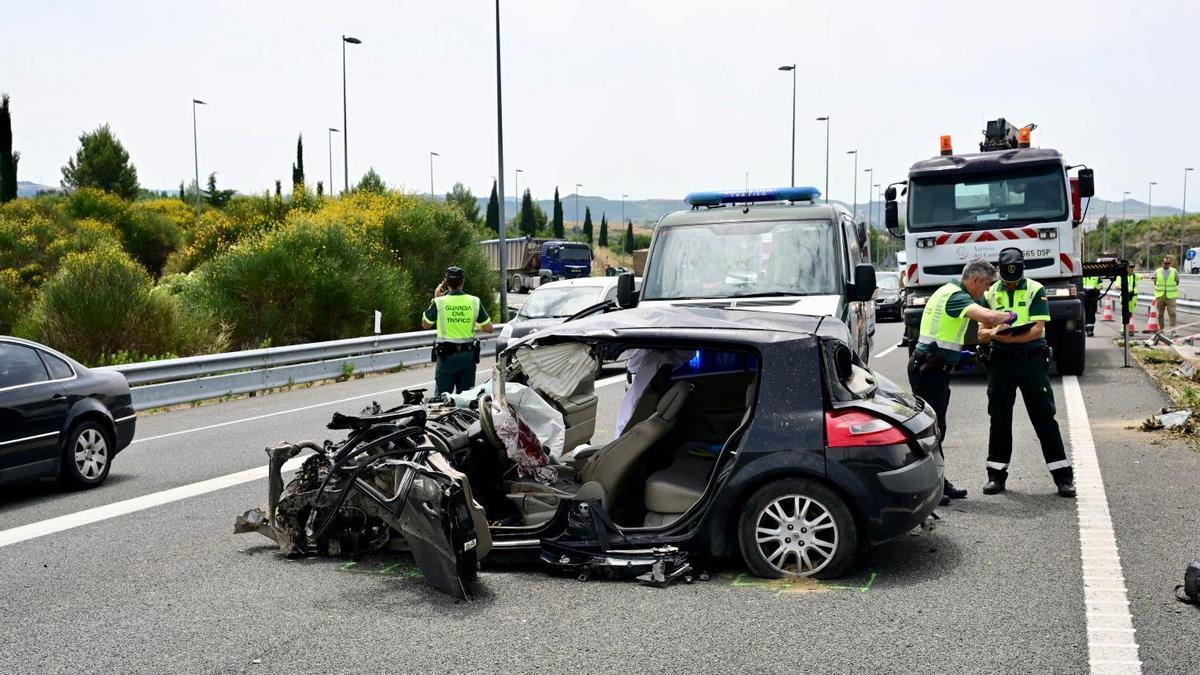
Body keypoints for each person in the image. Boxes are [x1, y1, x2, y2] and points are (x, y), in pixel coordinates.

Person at [908, 259, 1016, 506]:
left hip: (932, 365)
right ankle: (932, 488)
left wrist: (957, 356)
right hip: (929, 370)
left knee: (936, 429)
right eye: (986, 284)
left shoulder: (947, 290)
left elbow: (942, 336)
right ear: (975, 280)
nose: (986, 290)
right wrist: (1008, 316)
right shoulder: (957, 296)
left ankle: (939, 484)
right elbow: (985, 315)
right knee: (933, 432)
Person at [977, 247, 1076, 498]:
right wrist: (994, 336)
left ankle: (1063, 478)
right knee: (999, 417)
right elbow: (981, 333)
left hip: (1031, 359)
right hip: (1000, 362)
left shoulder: (1035, 289)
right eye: (1007, 282)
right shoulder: (990, 292)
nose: (1011, 286)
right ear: (998, 272)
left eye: (1015, 282)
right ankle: (996, 476)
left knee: (1044, 417)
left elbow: (1036, 330)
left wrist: (999, 336)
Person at [421, 266, 493, 395]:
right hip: (467, 358)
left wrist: (435, 299)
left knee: (442, 400)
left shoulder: (440, 302)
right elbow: (489, 328)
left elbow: (425, 324)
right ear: (463, 282)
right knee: (466, 399)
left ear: (446, 282)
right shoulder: (474, 301)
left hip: (446, 358)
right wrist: (475, 325)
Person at [1153, 256, 1179, 333]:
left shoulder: (1174, 271)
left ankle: (1173, 331)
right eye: (1165, 263)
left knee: (1172, 313)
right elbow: (1155, 282)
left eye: (1169, 263)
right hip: (1160, 296)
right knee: (1160, 314)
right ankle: (1161, 330)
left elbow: (1177, 282)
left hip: (1171, 296)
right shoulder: (1157, 271)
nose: (1167, 265)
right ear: (1162, 263)